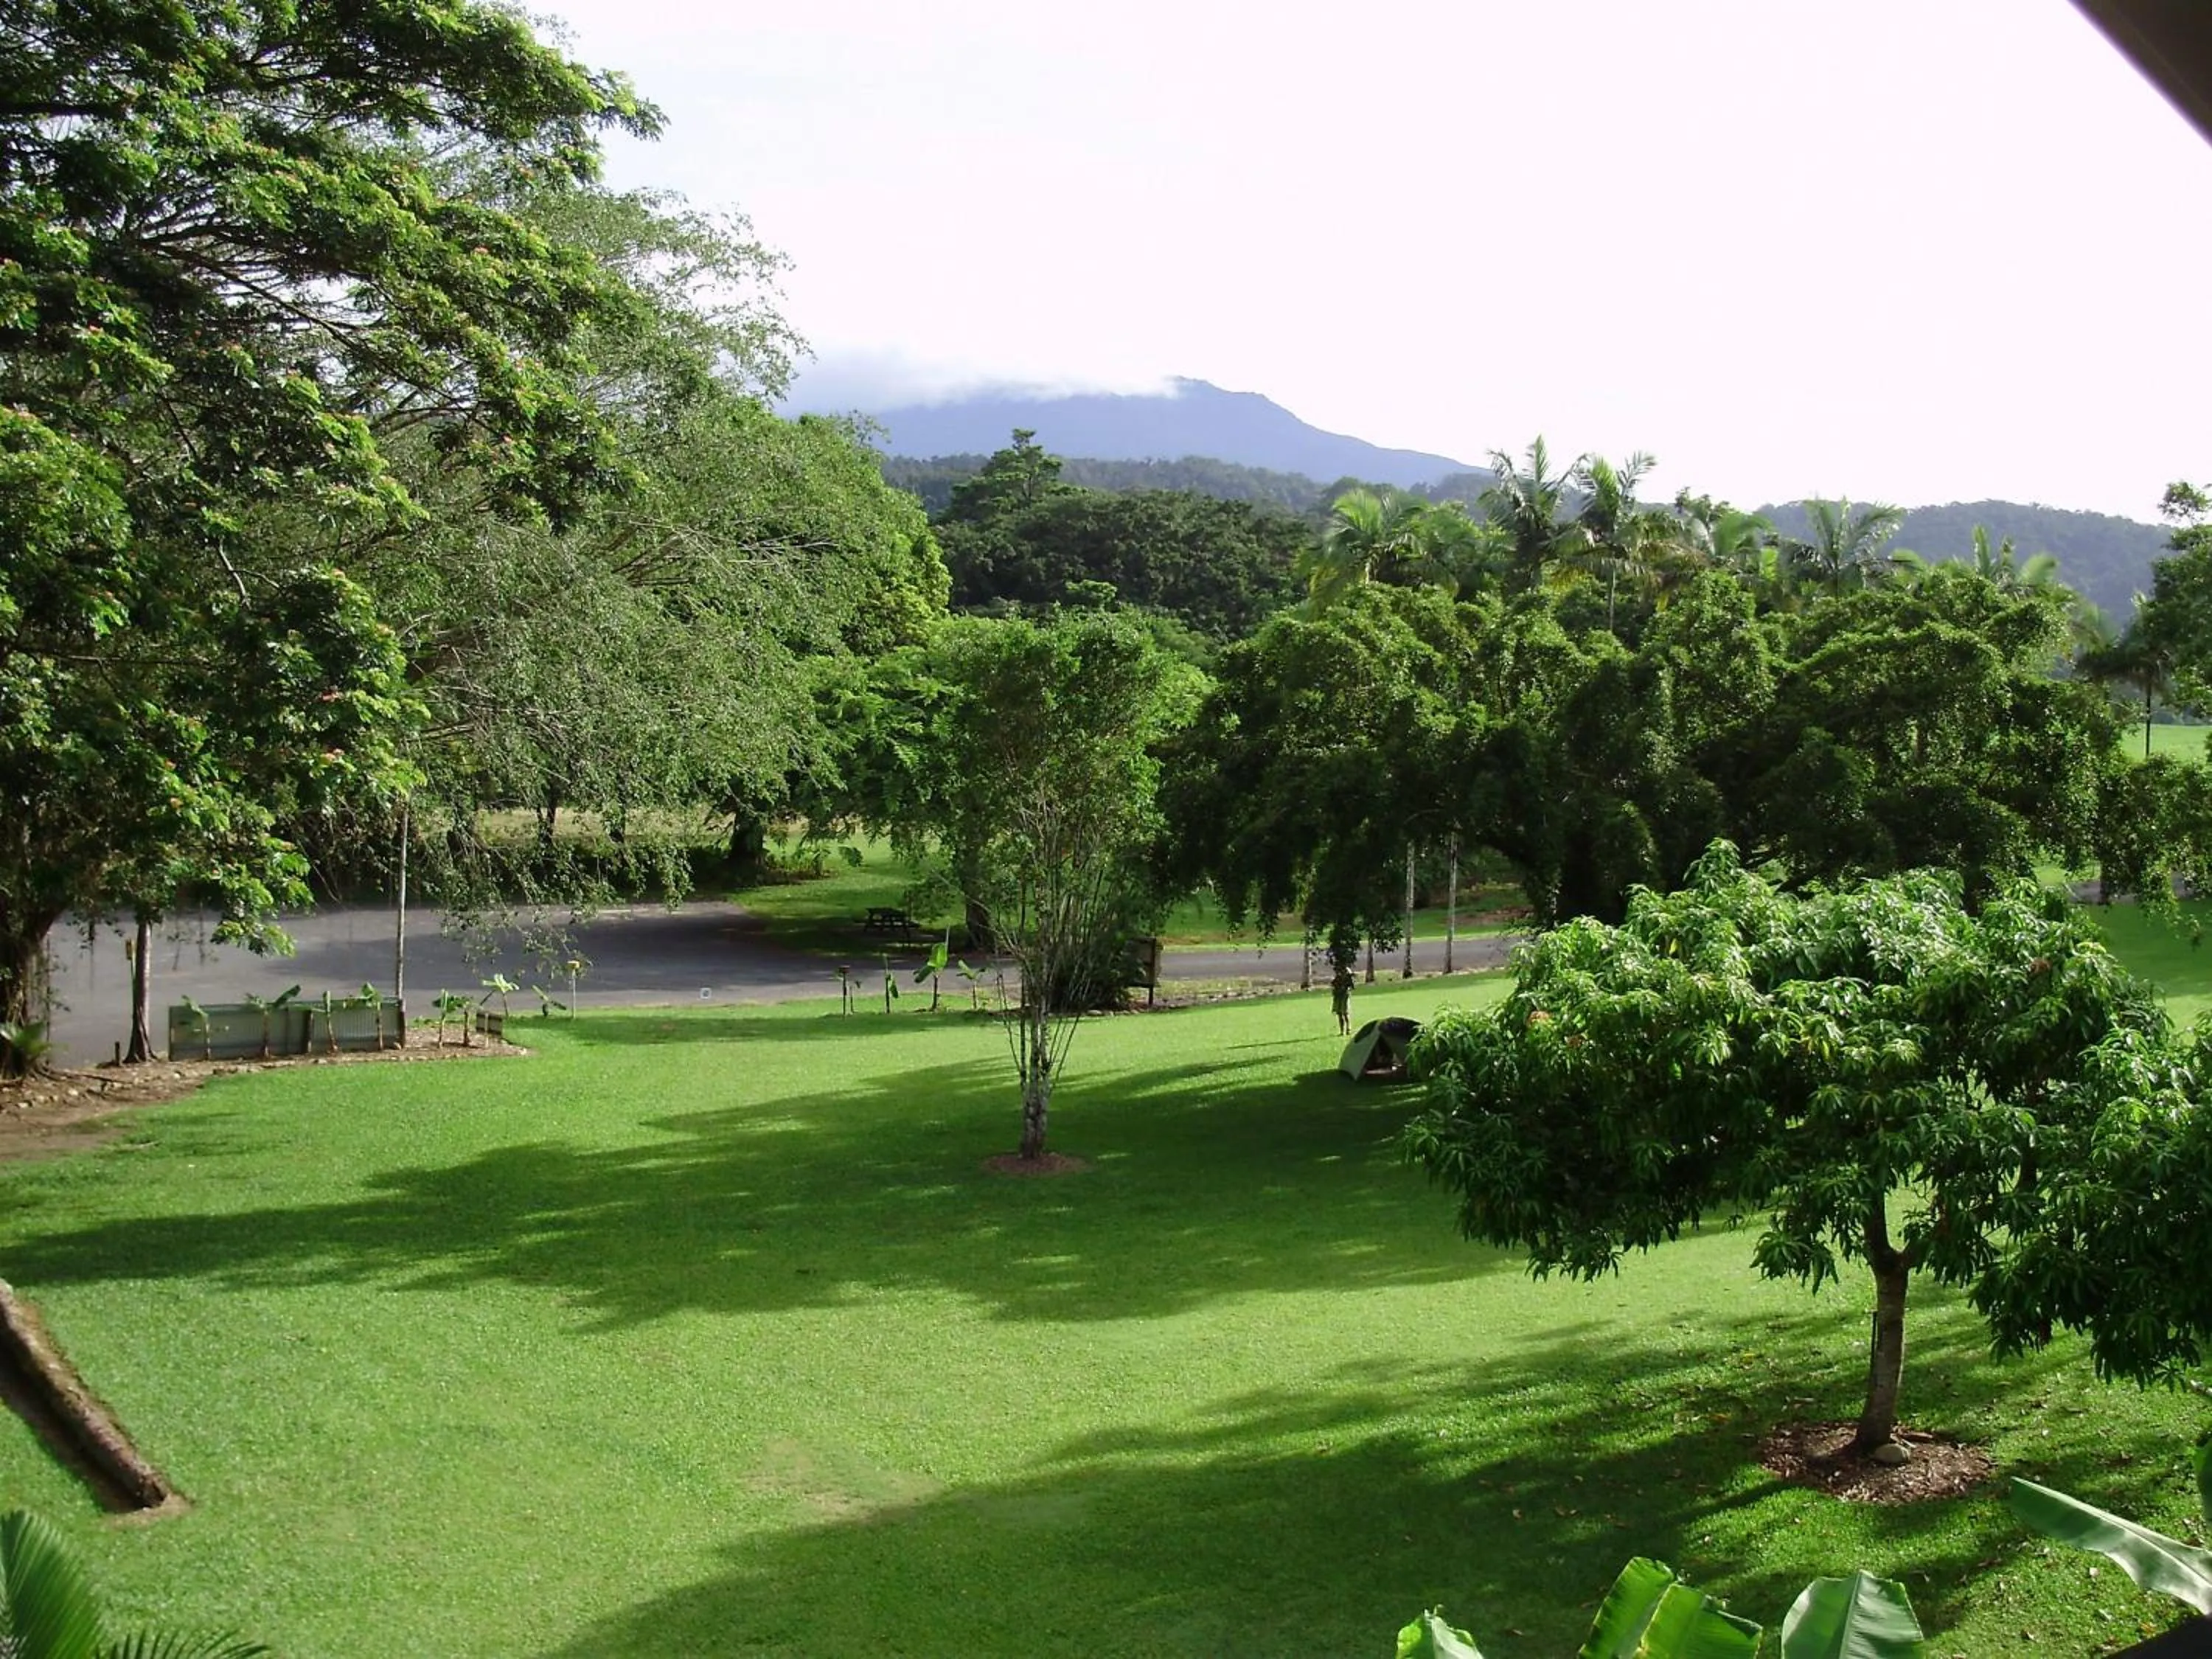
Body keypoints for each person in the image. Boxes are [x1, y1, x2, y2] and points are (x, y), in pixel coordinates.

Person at [1331, 961, 1354, 1036]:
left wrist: (1345, 987)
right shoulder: (1338, 974)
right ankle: (1342, 1031)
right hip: (1338, 995)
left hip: (1344, 994)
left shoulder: (1347, 972)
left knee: (1345, 1012)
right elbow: (1334, 983)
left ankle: (1348, 1029)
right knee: (1339, 1013)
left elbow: (1352, 985)